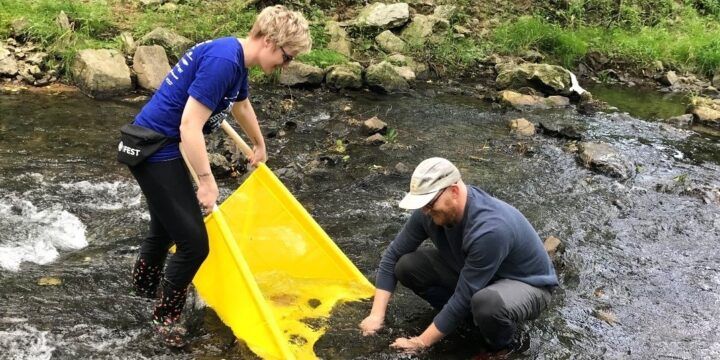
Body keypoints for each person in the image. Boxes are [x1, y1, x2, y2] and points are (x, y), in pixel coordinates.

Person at [126, 5, 311, 347]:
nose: (285, 66)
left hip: (156, 145)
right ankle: (164, 318)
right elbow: (188, 125)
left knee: (165, 228)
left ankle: (141, 291)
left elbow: (240, 105)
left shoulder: (236, 58)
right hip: (154, 149)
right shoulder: (224, 61)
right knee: (195, 244)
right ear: (270, 41)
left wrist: (258, 142)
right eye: (287, 57)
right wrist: (208, 182)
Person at [359, 157, 558, 354]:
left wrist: (421, 342)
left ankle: (502, 348)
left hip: (529, 285)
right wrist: (376, 316)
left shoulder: (490, 229)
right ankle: (466, 321)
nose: (425, 212)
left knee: (485, 304)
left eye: (429, 204)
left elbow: (465, 296)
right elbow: (392, 256)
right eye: (422, 205)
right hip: (477, 276)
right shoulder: (428, 210)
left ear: (454, 191)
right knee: (407, 266)